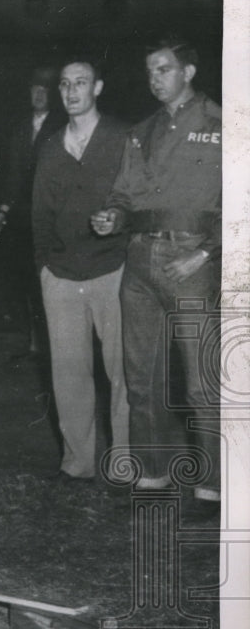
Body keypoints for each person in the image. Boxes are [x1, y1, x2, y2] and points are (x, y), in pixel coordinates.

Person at [92, 36, 221, 502]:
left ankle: (213, 484)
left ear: (188, 72)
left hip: (193, 260)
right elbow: (125, 194)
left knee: (202, 380)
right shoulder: (141, 131)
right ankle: (153, 473)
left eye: (163, 69)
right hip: (140, 259)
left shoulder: (224, 124)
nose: (154, 79)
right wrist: (114, 216)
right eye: (150, 71)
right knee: (141, 374)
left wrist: (208, 253)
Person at [32, 58, 131, 483]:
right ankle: (79, 462)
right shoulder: (51, 145)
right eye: (65, 84)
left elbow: (136, 199)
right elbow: (39, 215)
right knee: (69, 373)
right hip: (62, 276)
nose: (72, 91)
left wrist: (119, 221)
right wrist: (44, 270)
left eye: (81, 83)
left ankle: (127, 462)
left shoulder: (122, 138)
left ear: (98, 87)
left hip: (113, 269)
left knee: (123, 372)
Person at [0, 66, 65, 358]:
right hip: (24, 219)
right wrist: (2, 212)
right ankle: (35, 341)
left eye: (45, 90)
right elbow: (13, 177)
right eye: (34, 89)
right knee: (29, 280)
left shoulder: (62, 126)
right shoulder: (20, 129)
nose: (39, 95)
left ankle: (55, 342)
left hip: (55, 217)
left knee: (52, 280)